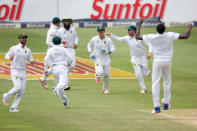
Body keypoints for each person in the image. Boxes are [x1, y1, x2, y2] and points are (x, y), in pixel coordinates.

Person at [136, 19, 193, 113]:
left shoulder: (152, 37)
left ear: (156, 30)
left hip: (157, 62)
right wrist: (190, 27)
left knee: (155, 84)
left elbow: (137, 36)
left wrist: (139, 24)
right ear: (165, 29)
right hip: (168, 62)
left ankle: (157, 107)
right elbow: (186, 36)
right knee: (167, 83)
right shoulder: (170, 35)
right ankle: (166, 103)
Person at [105, 25, 152, 94]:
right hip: (134, 58)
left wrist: (150, 53)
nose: (128, 31)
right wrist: (111, 35)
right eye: (128, 30)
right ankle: (144, 89)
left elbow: (150, 44)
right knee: (138, 74)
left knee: (145, 74)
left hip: (142, 58)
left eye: (129, 30)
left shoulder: (140, 37)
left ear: (133, 31)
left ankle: (147, 72)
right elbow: (118, 39)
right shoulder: (127, 38)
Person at [3, 33, 35, 112]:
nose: (24, 39)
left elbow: (31, 59)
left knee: (21, 92)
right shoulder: (14, 48)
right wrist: (9, 57)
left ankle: (13, 108)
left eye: (25, 38)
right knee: (17, 87)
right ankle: (6, 95)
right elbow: (6, 55)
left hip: (23, 72)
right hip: (15, 70)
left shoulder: (28, 50)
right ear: (19, 39)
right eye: (22, 38)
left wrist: (32, 62)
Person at [44, 36, 73, 107]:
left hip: (54, 69)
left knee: (60, 87)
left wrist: (45, 70)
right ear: (60, 41)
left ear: (53, 42)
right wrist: (69, 63)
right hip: (62, 68)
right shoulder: (63, 49)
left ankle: (65, 101)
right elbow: (71, 59)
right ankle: (56, 89)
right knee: (63, 84)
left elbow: (45, 60)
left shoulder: (50, 50)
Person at [87, 27, 115, 94]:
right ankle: (98, 77)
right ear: (97, 32)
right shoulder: (94, 39)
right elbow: (89, 46)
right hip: (97, 58)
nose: (100, 32)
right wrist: (91, 53)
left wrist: (108, 51)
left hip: (106, 59)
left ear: (104, 31)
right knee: (99, 72)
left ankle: (105, 89)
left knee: (106, 75)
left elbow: (113, 48)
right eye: (99, 31)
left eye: (101, 31)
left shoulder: (108, 40)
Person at [39, 17, 61, 89]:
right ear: (58, 23)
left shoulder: (55, 29)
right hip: (52, 52)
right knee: (56, 67)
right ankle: (59, 85)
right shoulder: (53, 30)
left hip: (55, 52)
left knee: (55, 67)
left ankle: (43, 78)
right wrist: (57, 46)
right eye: (59, 22)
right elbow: (47, 42)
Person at [58, 18, 78, 90]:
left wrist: (76, 43)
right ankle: (65, 84)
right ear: (63, 22)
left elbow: (76, 37)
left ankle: (62, 77)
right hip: (64, 50)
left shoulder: (73, 29)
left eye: (68, 21)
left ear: (70, 22)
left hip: (71, 49)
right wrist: (61, 45)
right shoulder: (60, 31)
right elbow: (57, 40)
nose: (67, 22)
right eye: (65, 21)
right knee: (65, 66)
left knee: (72, 65)